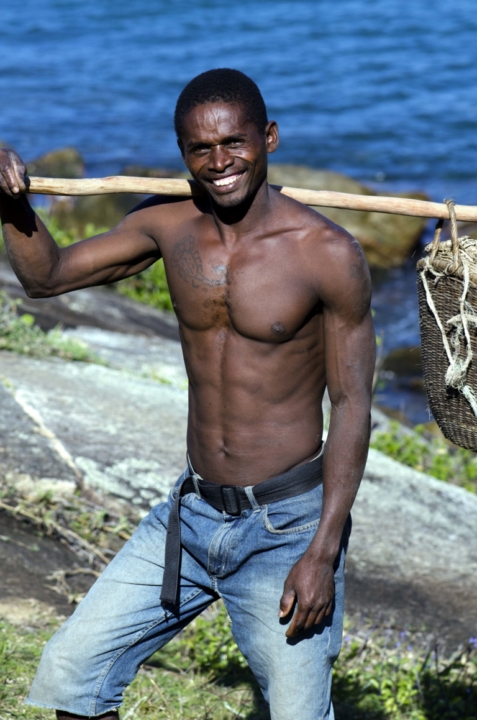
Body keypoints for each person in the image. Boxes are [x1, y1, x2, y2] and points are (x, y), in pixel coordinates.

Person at [0, 68, 375, 720]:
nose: (219, 162)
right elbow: (48, 277)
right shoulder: (167, 224)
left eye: (234, 143)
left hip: (285, 528)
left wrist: (322, 552)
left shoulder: (326, 252)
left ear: (269, 138)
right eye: (200, 149)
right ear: (182, 153)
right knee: (71, 675)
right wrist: (9, 202)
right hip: (192, 514)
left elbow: (352, 405)